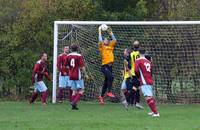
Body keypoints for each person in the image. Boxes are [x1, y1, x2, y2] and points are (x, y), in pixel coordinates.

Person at [135, 48, 160, 117]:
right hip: (149, 80)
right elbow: (151, 71)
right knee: (149, 96)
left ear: (138, 53)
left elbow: (136, 70)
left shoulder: (138, 60)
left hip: (144, 81)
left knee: (148, 97)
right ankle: (153, 111)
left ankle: (156, 113)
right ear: (145, 53)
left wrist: (138, 77)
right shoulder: (148, 61)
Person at [98, 25, 117, 105]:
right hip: (104, 66)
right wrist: (99, 31)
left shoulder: (111, 46)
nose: (106, 40)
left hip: (110, 66)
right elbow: (100, 39)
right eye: (104, 40)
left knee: (106, 82)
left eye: (107, 40)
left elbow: (115, 39)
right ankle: (109, 92)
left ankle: (101, 97)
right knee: (111, 77)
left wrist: (111, 33)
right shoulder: (102, 46)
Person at [65, 44, 88, 110]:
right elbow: (82, 66)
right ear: (77, 49)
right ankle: (74, 102)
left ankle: (73, 106)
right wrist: (86, 74)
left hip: (71, 75)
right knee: (82, 90)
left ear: (71, 49)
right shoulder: (79, 56)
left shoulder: (68, 56)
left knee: (74, 91)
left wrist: (70, 70)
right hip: (77, 75)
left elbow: (66, 66)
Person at [130, 41, 144, 109]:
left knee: (137, 88)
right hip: (138, 72)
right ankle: (128, 100)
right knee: (135, 88)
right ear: (139, 46)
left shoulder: (131, 54)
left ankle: (136, 103)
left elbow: (129, 63)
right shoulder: (140, 54)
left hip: (133, 72)